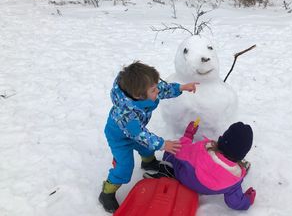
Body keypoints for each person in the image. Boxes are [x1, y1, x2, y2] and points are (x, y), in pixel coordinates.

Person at [98, 61, 198, 213]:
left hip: (137, 131)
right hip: (119, 138)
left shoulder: (142, 90)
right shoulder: (127, 114)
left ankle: (148, 163)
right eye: (153, 90)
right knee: (125, 167)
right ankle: (107, 192)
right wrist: (163, 144)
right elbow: (140, 135)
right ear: (139, 95)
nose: (157, 91)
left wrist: (181, 88)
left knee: (146, 148)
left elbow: (162, 89)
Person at [144, 121, 256, 210]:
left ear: (222, 139)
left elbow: (181, 151)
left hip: (184, 176)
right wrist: (247, 200)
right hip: (204, 189)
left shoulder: (203, 149)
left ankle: (167, 169)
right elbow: (235, 202)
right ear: (242, 155)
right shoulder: (234, 179)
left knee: (172, 148)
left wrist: (188, 135)